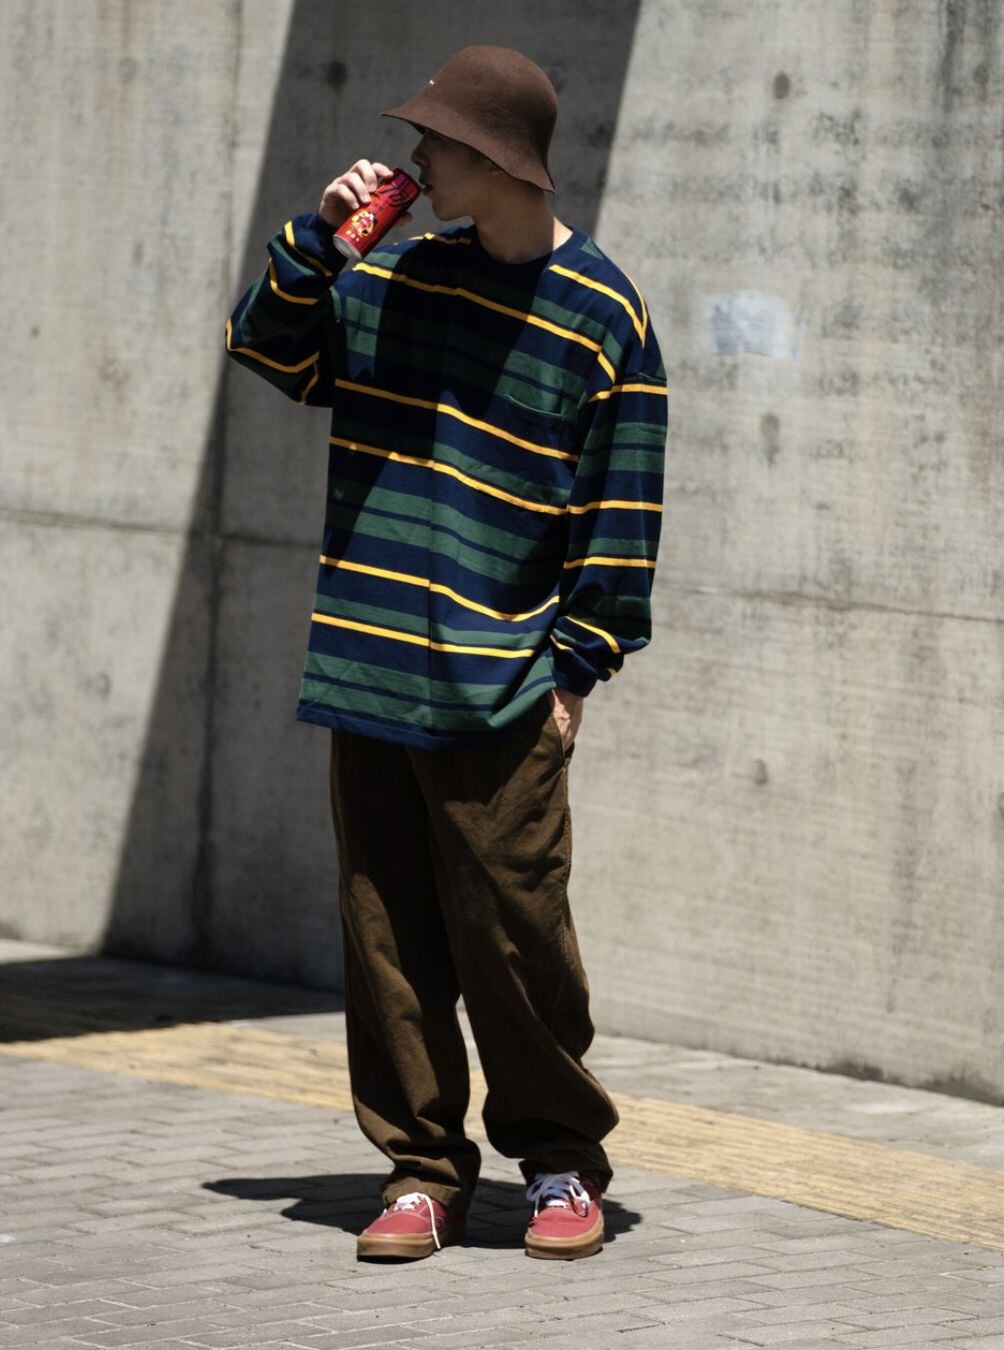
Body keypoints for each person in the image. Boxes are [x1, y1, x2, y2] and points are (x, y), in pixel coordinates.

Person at [225, 44, 668, 1262]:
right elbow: (268, 348)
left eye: (436, 141)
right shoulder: (398, 273)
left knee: (518, 944)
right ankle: (421, 1172)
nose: (412, 157)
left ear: (496, 159)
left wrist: (575, 671)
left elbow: (621, 515)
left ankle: (561, 1162)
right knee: (388, 946)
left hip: (506, 686)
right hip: (371, 668)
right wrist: (318, 243)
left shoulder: (606, 316)